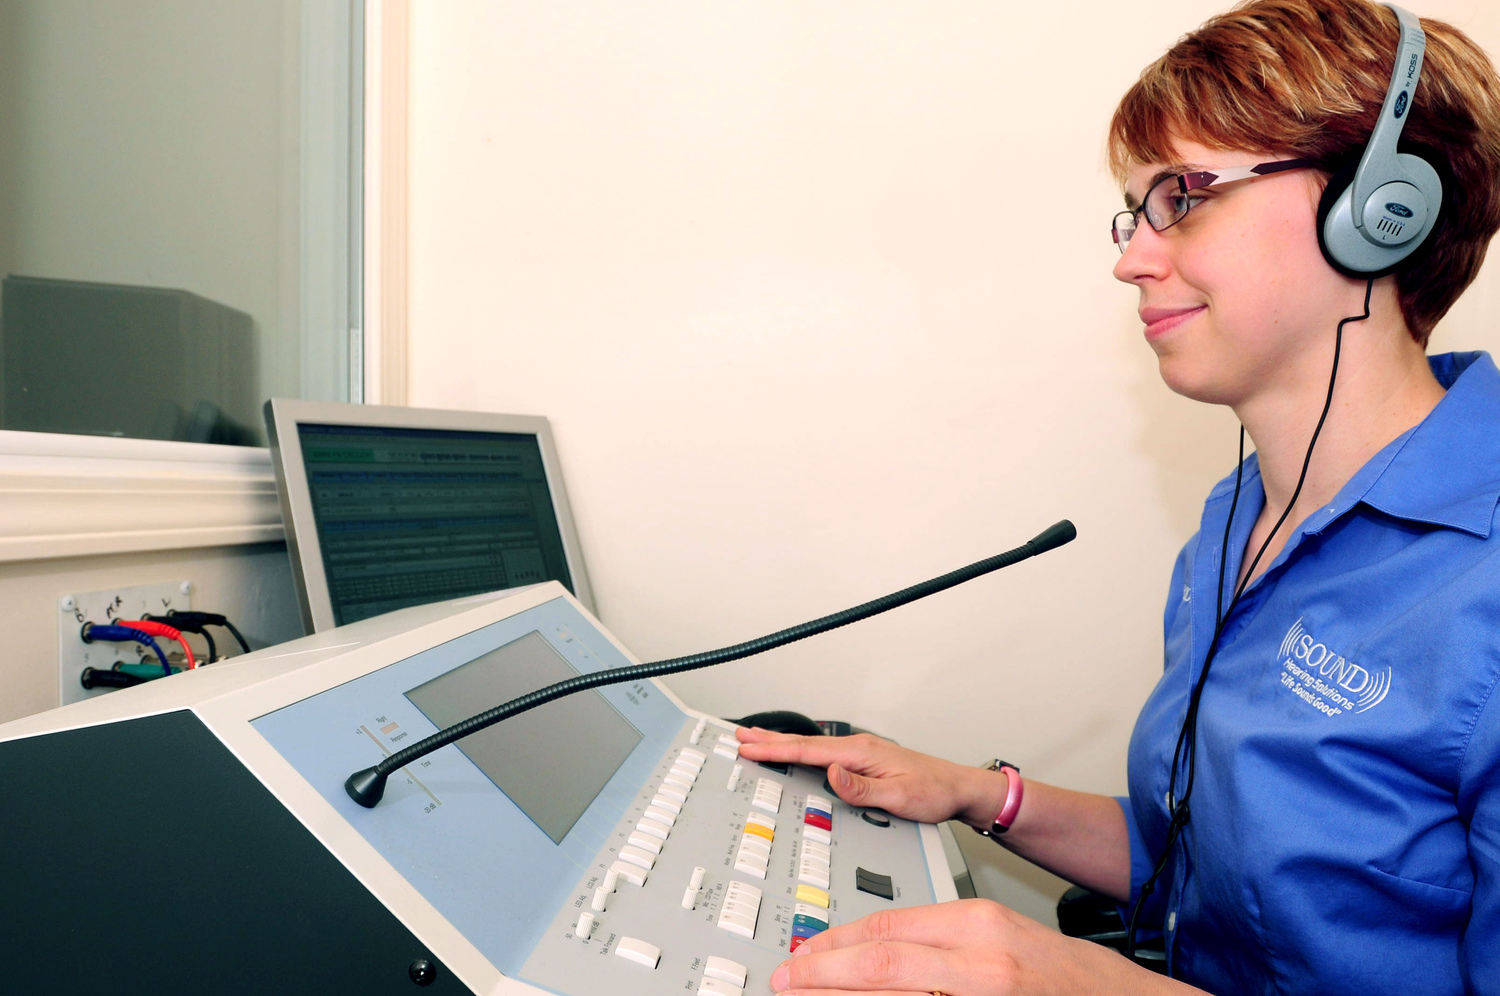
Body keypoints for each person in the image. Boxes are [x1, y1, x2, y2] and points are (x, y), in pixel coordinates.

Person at [736, 1, 1500, 993]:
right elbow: (1202, 870)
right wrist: (978, 794)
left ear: (1380, 210)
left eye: (1182, 194)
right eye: (1132, 210)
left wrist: (1080, 984)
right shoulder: (1235, 517)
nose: (1131, 257)